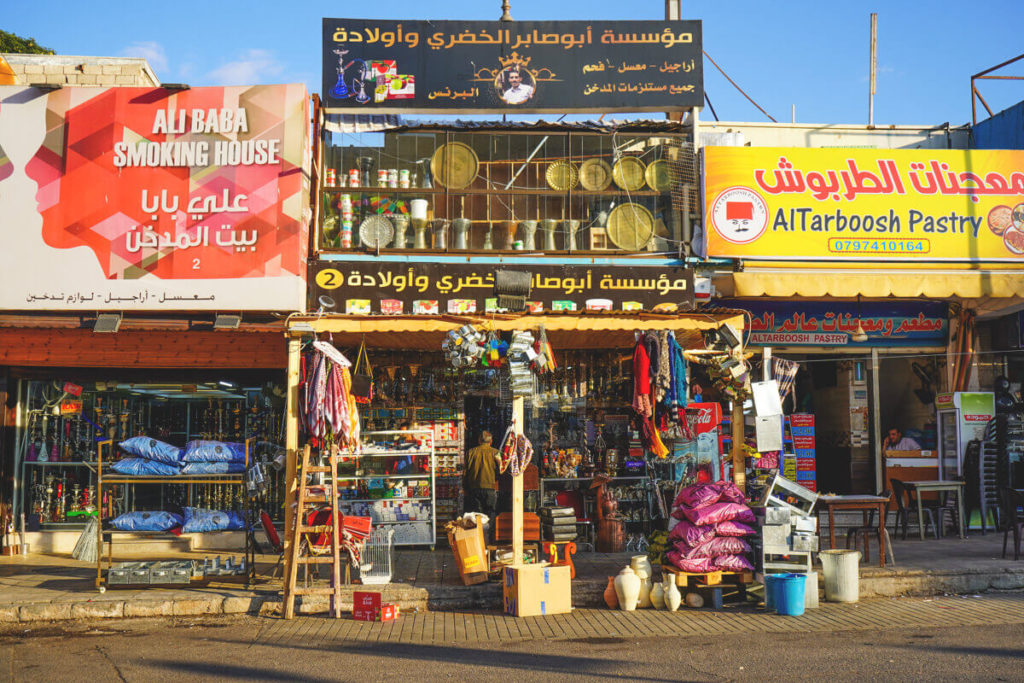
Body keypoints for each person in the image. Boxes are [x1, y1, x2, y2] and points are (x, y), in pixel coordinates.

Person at [464, 431, 499, 522]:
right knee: (490, 514)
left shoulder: (470, 452)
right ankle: (490, 534)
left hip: (474, 488)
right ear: (491, 441)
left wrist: (465, 488)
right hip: (490, 488)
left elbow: (465, 472)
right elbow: (501, 470)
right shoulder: (496, 453)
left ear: (479, 441)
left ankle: (479, 534)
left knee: (476, 516)